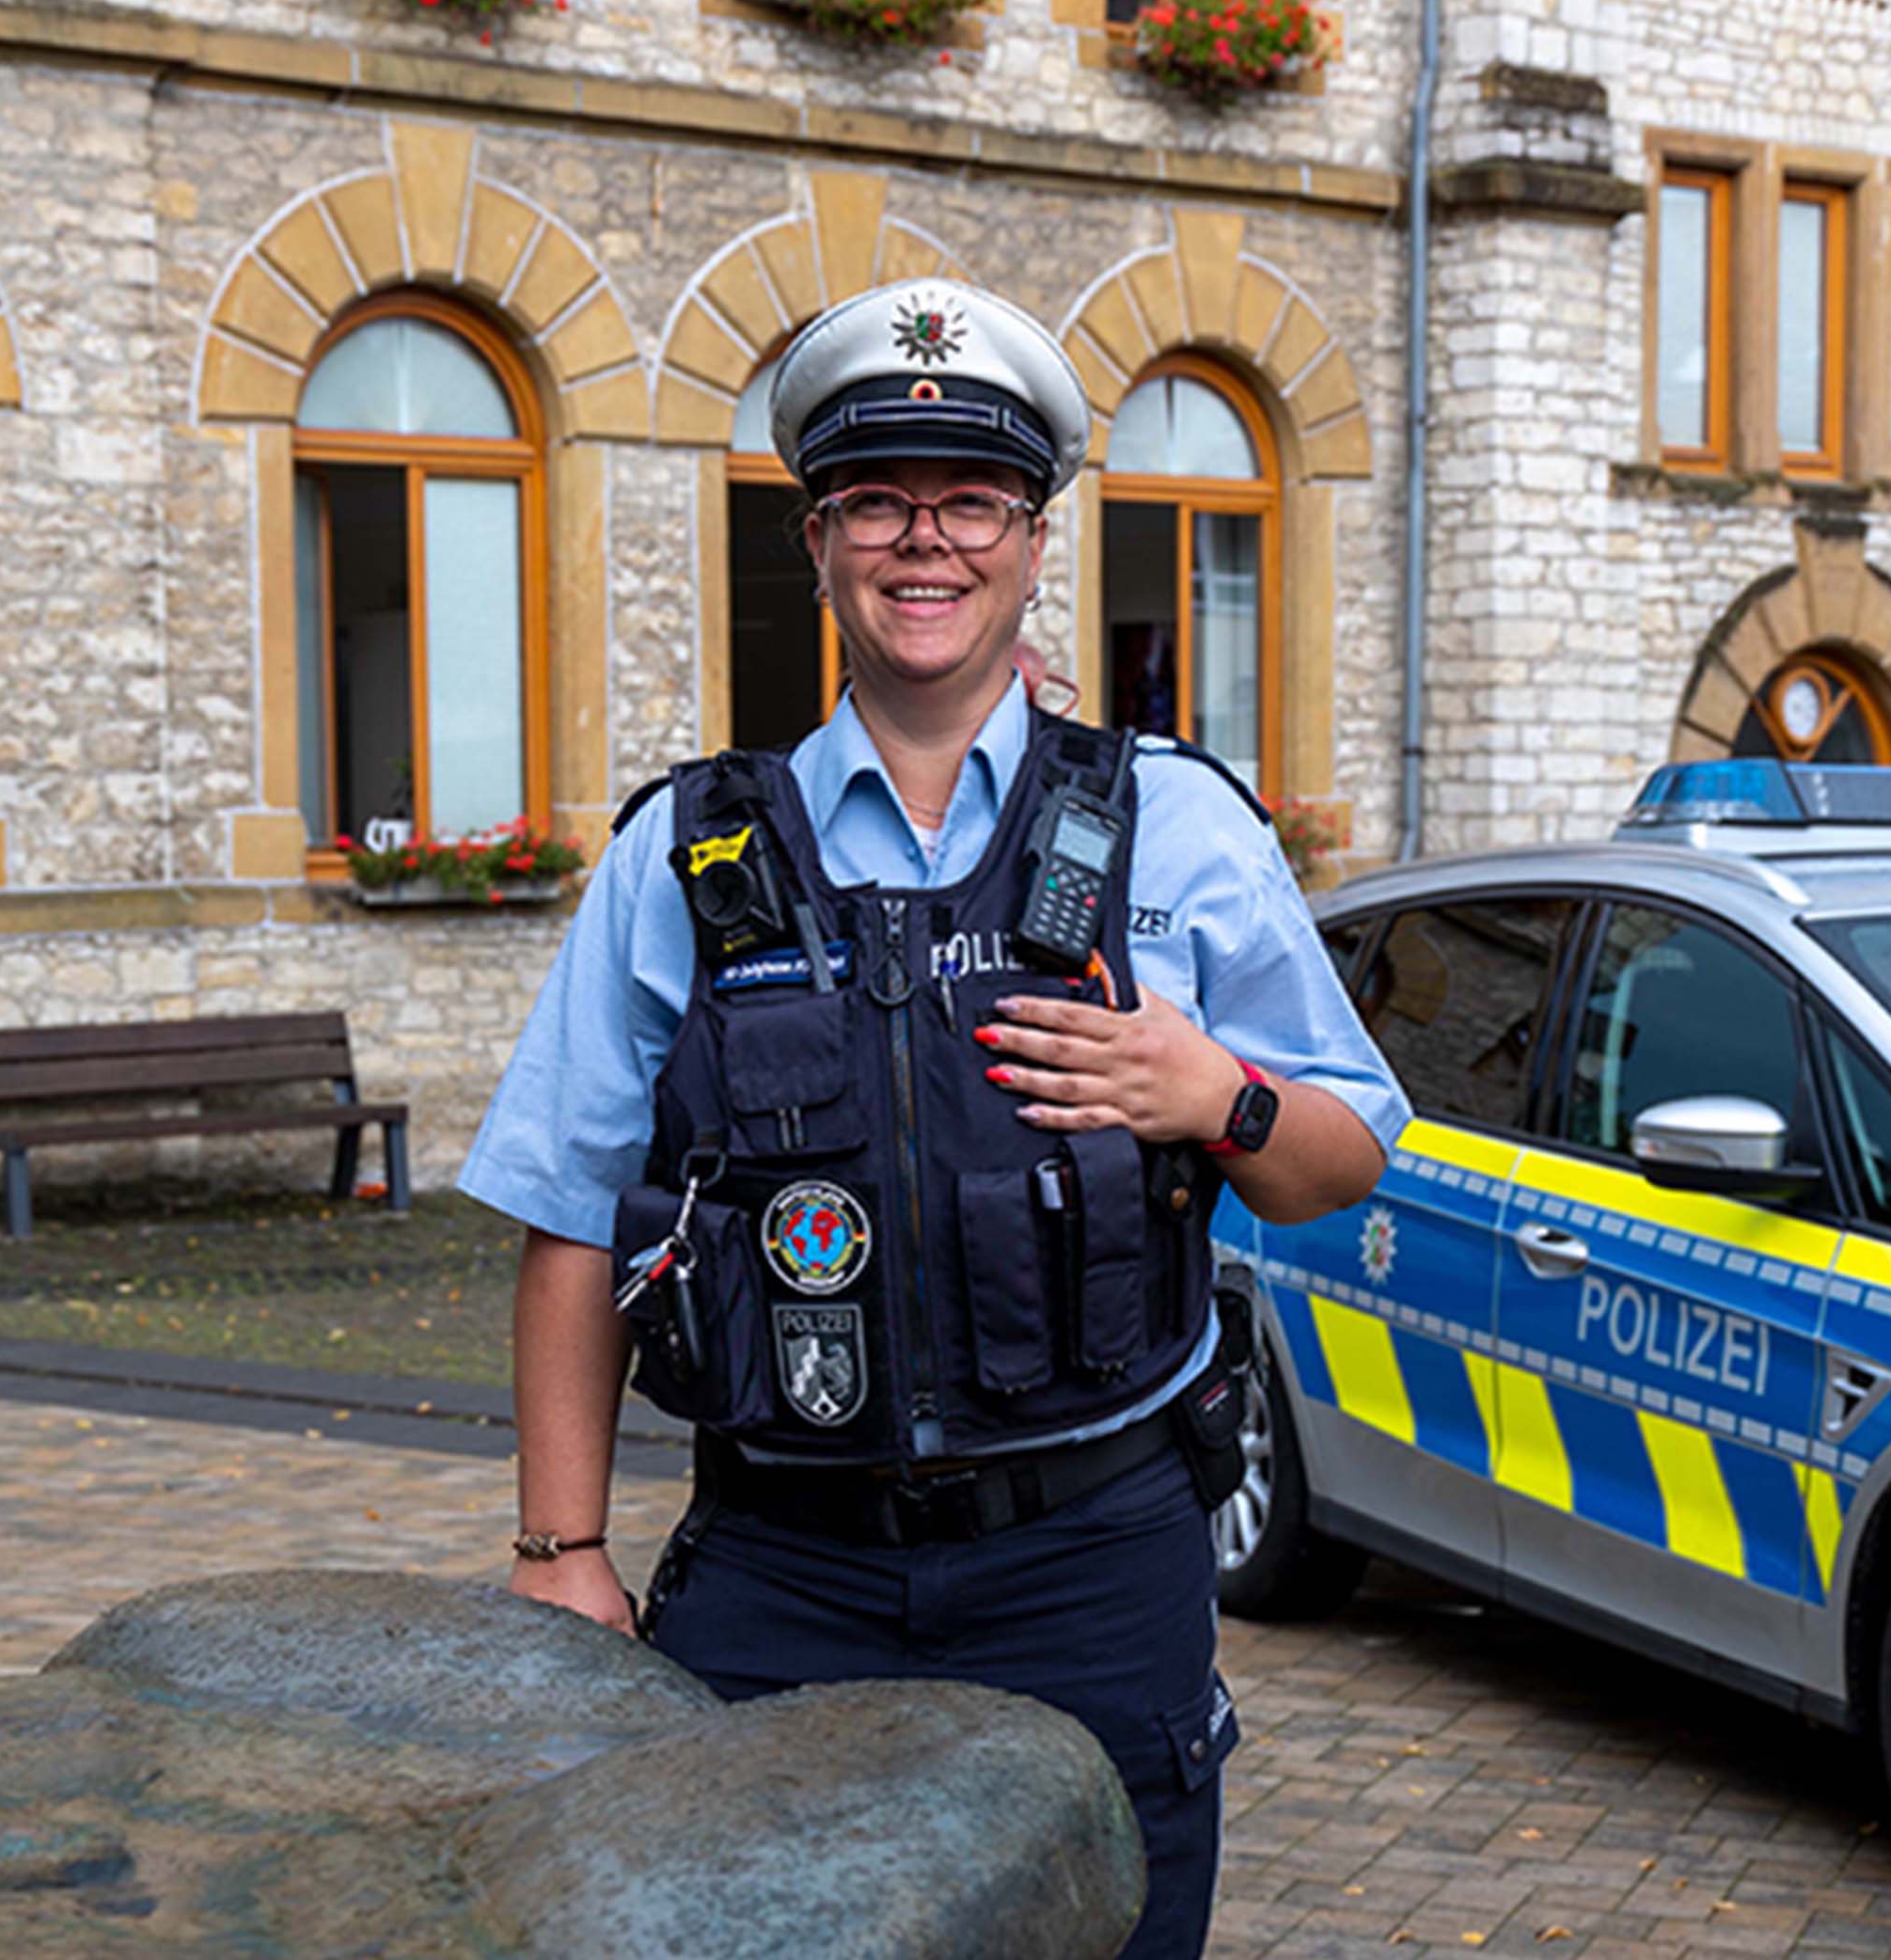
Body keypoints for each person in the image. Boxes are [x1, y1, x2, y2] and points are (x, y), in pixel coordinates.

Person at [459, 276, 1406, 1960]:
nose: (926, 542)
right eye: (876, 502)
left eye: (973, 501)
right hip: (778, 1569)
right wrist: (562, 1548)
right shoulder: (688, 858)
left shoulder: (1175, 829)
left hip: (1092, 1559)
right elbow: (571, 1212)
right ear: (815, 544)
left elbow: (1345, 1164)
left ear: (1036, 542)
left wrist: (1219, 1094)